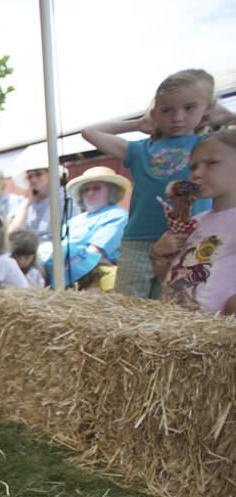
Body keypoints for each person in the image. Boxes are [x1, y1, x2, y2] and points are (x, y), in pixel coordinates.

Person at [83, 69, 234, 299]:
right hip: (138, 239)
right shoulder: (140, 149)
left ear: (207, 109)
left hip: (189, 238)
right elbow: (90, 132)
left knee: (172, 299)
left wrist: (228, 117)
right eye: (167, 110)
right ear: (155, 113)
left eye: (189, 107)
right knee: (128, 303)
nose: (177, 117)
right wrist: (137, 124)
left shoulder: (208, 145)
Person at [152, 130, 236, 315]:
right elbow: (172, 274)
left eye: (212, 163)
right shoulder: (195, 223)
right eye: (193, 167)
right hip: (172, 319)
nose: (196, 174)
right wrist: (158, 254)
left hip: (210, 329)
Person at [54, 167, 130, 291]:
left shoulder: (118, 216)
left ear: (111, 191)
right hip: (65, 271)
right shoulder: (74, 221)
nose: (90, 193)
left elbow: (94, 254)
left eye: (96, 188)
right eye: (86, 190)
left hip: (96, 272)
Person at [9, 146, 66, 245]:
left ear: (50, 173)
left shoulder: (65, 198)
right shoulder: (27, 203)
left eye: (38, 174)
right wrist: (26, 204)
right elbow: (12, 234)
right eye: (29, 176)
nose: (33, 180)